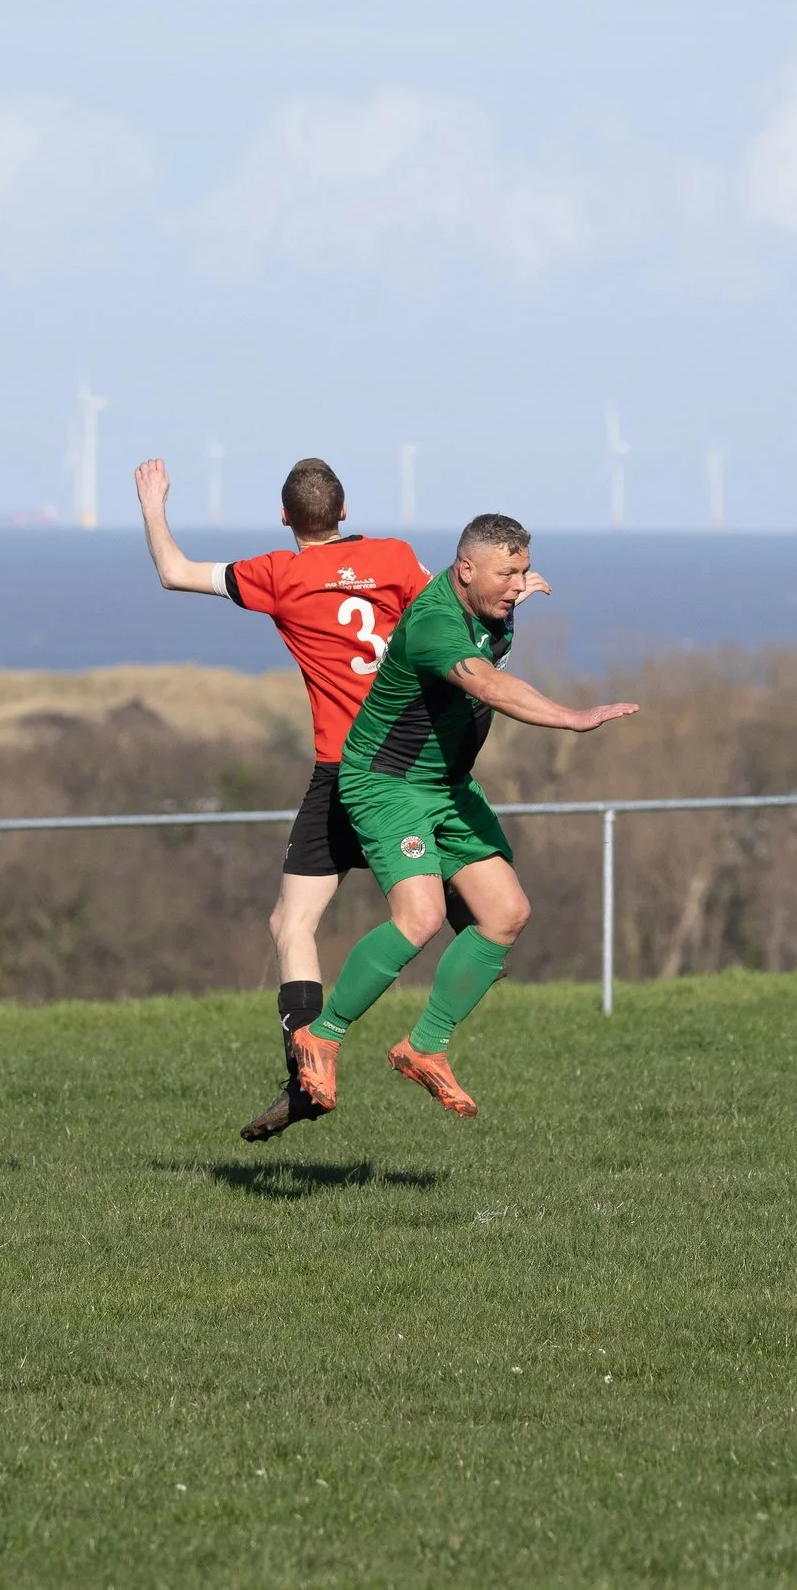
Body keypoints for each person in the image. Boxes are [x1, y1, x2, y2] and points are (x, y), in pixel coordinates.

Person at [132, 455, 545, 1140]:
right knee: (480, 916)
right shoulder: (394, 557)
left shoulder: (276, 573)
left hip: (347, 774)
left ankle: (309, 1069)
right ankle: (433, 1024)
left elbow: (174, 572)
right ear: (346, 512)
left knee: (293, 925)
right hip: (418, 762)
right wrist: (506, 604)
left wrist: (153, 504)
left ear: (287, 518)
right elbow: (446, 614)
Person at [296, 512, 637, 1120]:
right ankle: (320, 1036)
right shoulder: (433, 622)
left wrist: (514, 596)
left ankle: (423, 1047)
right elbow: (491, 687)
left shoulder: (493, 610)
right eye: (507, 572)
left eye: (524, 570)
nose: (518, 583)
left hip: (447, 785)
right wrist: (571, 717)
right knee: (422, 915)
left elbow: (494, 634)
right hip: (387, 783)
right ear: (465, 569)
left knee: (507, 913)